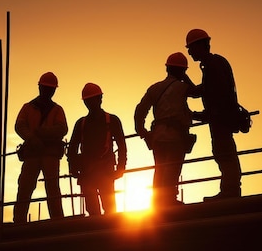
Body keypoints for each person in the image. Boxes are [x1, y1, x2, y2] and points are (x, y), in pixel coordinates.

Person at [185, 28, 242, 199]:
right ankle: (229, 190)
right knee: (222, 152)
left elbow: (219, 95)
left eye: (191, 48)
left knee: (224, 153)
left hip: (221, 119)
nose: (189, 52)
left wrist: (207, 115)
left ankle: (230, 192)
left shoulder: (213, 66)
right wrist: (184, 77)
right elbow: (198, 92)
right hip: (220, 118)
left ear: (201, 45)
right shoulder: (213, 64)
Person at [134, 52, 196, 207]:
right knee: (172, 169)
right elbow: (197, 93)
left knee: (159, 169)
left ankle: (157, 202)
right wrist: (185, 77)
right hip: (176, 136)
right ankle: (168, 201)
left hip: (158, 137)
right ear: (182, 71)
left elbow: (140, 111)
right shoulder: (183, 87)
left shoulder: (155, 88)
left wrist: (143, 132)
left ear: (167, 68)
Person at [13, 72, 68, 223]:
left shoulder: (57, 110)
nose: (48, 91)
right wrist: (32, 138)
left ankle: (57, 220)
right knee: (25, 186)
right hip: (33, 154)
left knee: (52, 188)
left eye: (50, 89)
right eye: (46, 88)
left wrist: (40, 133)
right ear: (40, 87)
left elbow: (62, 129)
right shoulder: (28, 108)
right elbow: (19, 126)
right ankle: (19, 221)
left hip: (49, 154)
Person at [67, 83, 127, 216]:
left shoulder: (112, 120)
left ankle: (108, 233)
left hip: (105, 171)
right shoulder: (81, 123)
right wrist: (73, 167)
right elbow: (72, 148)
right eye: (88, 101)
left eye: (92, 99)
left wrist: (121, 166)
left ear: (100, 99)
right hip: (88, 172)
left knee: (109, 208)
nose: (90, 103)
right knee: (93, 209)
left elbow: (122, 145)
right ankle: (99, 231)